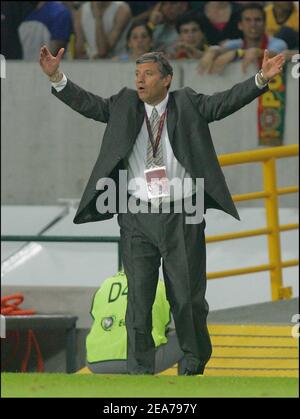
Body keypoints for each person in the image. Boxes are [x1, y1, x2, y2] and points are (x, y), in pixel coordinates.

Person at [39, 46, 285, 375]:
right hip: (136, 216)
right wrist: (57, 76)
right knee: (138, 303)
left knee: (186, 300)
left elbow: (223, 103)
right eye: (137, 75)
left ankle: (193, 366)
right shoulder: (124, 104)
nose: (140, 80)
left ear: (167, 80)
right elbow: (90, 105)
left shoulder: (187, 104)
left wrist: (260, 79)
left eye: (149, 74)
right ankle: (140, 373)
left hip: (183, 214)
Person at [86, 271, 183, 374]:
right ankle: (187, 384)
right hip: (140, 361)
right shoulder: (159, 287)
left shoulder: (105, 285)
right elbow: (177, 321)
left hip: (96, 361)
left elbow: (95, 317)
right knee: (191, 338)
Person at [198, 2, 287, 74]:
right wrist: (213, 51)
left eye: (257, 20)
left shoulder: (278, 43)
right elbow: (220, 49)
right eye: (248, 20)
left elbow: (276, 54)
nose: (253, 25)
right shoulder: (236, 44)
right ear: (240, 25)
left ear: (265, 24)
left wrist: (239, 53)